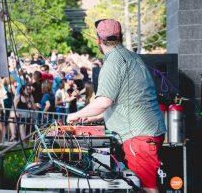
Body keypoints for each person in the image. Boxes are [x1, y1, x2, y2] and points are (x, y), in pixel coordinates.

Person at [66, 19, 166, 193]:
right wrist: (90, 116)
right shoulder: (132, 57)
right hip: (148, 130)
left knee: (148, 189)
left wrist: (73, 116)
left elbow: (104, 102)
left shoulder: (114, 61)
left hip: (138, 135)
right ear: (120, 37)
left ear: (98, 39)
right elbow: (125, 101)